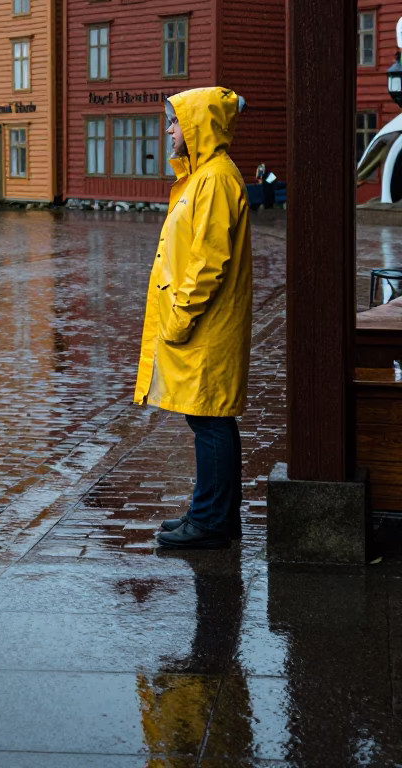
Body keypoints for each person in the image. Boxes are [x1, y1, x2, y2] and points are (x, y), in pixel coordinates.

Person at [134, 86, 252, 550]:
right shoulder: (203, 177)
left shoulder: (217, 179)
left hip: (207, 323)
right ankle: (209, 513)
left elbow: (209, 260)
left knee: (211, 419)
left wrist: (181, 315)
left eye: (174, 122)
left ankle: (211, 522)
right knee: (205, 418)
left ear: (197, 124)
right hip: (204, 322)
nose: (168, 131)